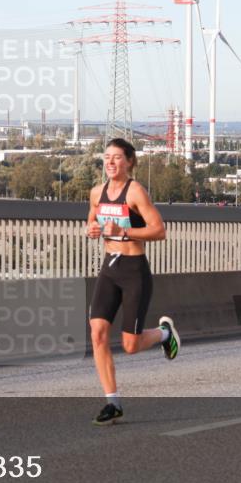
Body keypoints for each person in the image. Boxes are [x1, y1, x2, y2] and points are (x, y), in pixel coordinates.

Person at [85, 138, 180, 426]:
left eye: (117, 157)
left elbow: (159, 230)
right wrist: (92, 229)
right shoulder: (96, 192)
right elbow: (92, 221)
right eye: (107, 157)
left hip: (134, 270)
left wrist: (125, 233)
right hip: (109, 269)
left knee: (130, 345)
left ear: (129, 162)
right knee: (98, 334)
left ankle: (164, 333)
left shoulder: (135, 191)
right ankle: (112, 403)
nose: (110, 162)